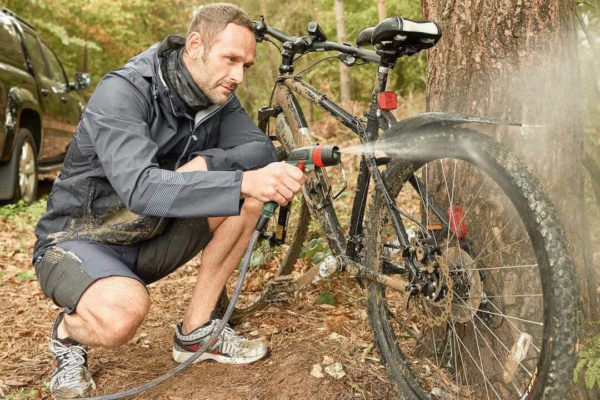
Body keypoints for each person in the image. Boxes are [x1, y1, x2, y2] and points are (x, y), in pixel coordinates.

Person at [32, 3, 307, 398]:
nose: (238, 76)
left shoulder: (216, 95)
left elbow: (257, 148)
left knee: (249, 200)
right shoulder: (124, 91)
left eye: (245, 65)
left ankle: (196, 333)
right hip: (78, 241)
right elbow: (143, 190)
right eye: (230, 59)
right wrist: (234, 180)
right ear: (195, 45)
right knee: (123, 316)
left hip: (149, 234)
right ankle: (66, 335)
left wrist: (206, 163)